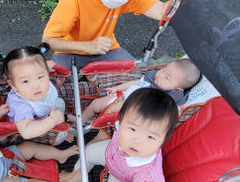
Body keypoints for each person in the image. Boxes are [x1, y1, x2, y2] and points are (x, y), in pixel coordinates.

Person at [73, 88, 178, 182]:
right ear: (120, 121)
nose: (137, 141)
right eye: (133, 129)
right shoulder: (122, 129)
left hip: (122, 180)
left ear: (163, 140)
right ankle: (73, 178)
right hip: (112, 152)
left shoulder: (148, 171)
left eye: (150, 137)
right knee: (88, 152)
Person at [68, 59, 200, 137]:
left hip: (129, 113)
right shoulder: (152, 79)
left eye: (167, 77)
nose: (160, 74)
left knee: (105, 130)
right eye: (164, 69)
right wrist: (118, 88)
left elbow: (172, 112)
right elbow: (137, 82)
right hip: (121, 98)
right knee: (96, 104)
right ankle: (80, 121)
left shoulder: (169, 98)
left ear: (178, 89)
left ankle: (89, 136)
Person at [0, 43, 73, 144]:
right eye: (25, 81)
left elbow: (46, 65)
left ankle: (61, 123)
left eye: (40, 77)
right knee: (60, 136)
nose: (36, 86)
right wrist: (52, 121)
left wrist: (48, 65)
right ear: (13, 85)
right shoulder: (21, 106)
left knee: (59, 102)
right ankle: (63, 134)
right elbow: (26, 132)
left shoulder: (34, 84)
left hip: (44, 114)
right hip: (30, 131)